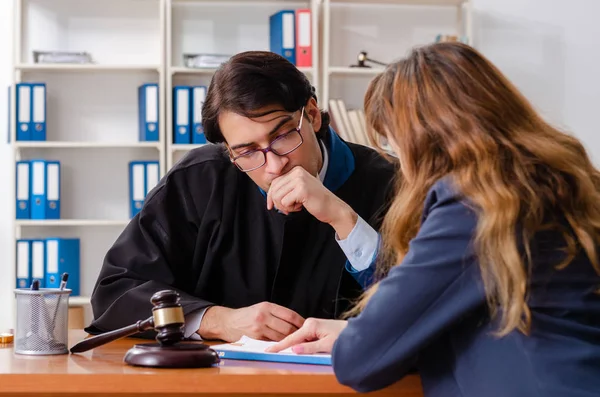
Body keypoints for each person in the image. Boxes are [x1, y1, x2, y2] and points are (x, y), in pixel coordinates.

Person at [267, 42, 600, 397]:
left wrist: (358, 337)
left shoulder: (470, 206)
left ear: (423, 141)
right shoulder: (560, 180)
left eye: (395, 143)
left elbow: (359, 361)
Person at [84, 51, 396, 343]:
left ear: (312, 115)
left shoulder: (388, 182)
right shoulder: (199, 179)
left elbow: (421, 305)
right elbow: (117, 291)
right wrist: (218, 320)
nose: (274, 166)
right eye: (247, 151)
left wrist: (344, 219)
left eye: (283, 136)